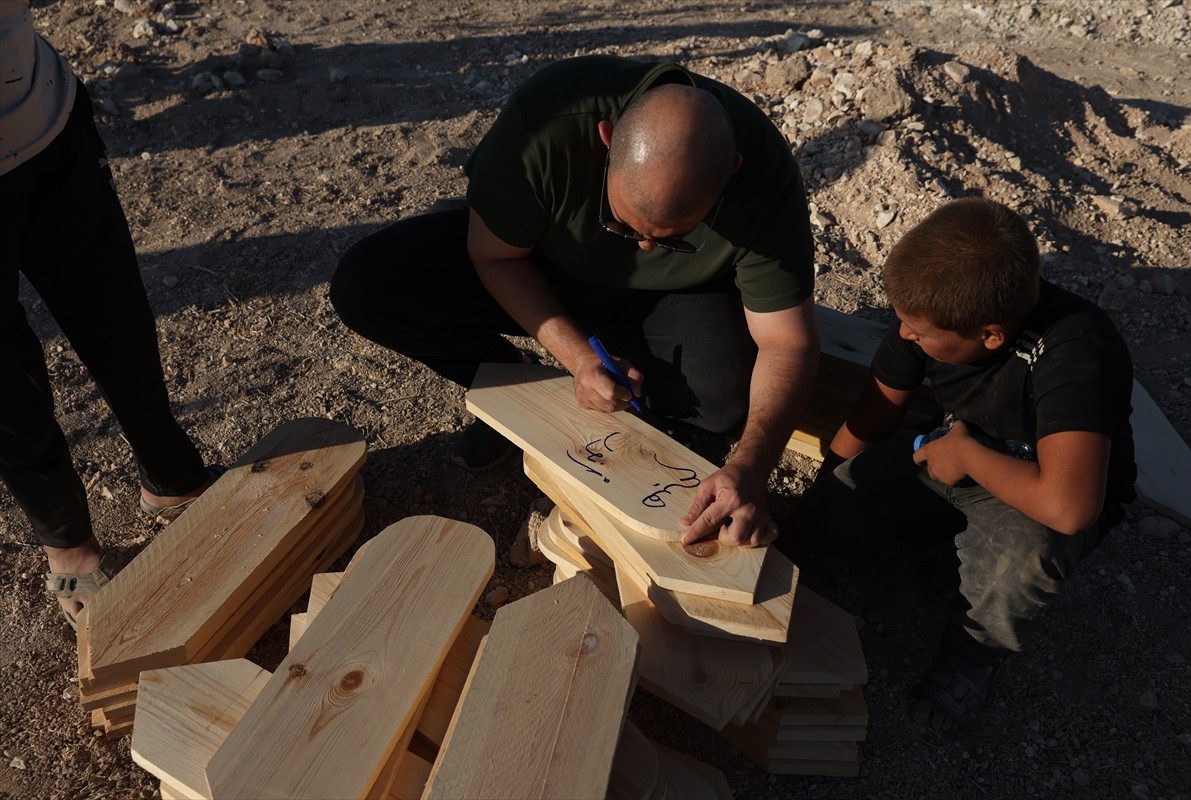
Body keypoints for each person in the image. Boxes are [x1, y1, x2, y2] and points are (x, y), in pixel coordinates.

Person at [332, 55, 820, 547]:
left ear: (731, 173)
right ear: (606, 140)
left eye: (673, 239)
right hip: (537, 266)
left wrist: (752, 467)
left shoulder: (766, 180)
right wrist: (579, 359)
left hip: (670, 297)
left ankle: (643, 432)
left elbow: (787, 341)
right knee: (371, 286)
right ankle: (512, 381)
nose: (643, 247)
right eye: (621, 223)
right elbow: (494, 257)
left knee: (717, 401)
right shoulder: (547, 122)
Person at [779, 198, 1136, 731]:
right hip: (947, 453)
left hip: (1035, 491)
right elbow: (876, 412)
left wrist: (968, 453)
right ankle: (946, 554)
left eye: (918, 332)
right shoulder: (929, 311)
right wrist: (817, 501)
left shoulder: (1078, 349)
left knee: (1020, 560)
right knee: (837, 511)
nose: (905, 335)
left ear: (990, 335)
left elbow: (1070, 507)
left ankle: (974, 651)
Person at [1, 1, 217, 628]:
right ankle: (67, 539)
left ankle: (171, 474)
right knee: (5, 377)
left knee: (112, 309)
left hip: (42, 111)